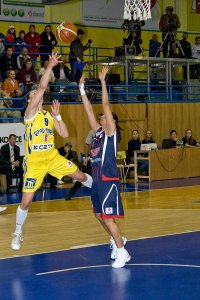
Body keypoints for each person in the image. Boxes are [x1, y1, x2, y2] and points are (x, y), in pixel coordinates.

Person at [10, 52, 92, 251]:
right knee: (26, 201)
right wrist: (50, 66)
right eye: (32, 95)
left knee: (80, 175)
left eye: (35, 95)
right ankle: (18, 231)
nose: (34, 96)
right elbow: (42, 87)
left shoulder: (47, 115)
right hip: (35, 162)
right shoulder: (29, 114)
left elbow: (64, 133)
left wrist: (59, 116)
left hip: (52, 157)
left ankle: (97, 187)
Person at [79, 66, 130, 268]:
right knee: (100, 216)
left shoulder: (110, 133)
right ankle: (117, 241)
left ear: (112, 122)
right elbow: (89, 110)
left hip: (108, 180)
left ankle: (122, 252)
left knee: (109, 219)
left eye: (105, 117)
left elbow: (105, 103)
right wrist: (82, 90)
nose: (101, 117)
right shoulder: (98, 132)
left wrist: (102, 81)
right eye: (101, 117)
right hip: (97, 181)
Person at [65, 114, 103, 200]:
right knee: (83, 177)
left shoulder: (108, 131)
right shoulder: (93, 131)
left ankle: (102, 194)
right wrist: (86, 157)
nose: (101, 121)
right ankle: (70, 194)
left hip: (102, 159)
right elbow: (87, 145)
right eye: (100, 119)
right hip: (92, 159)